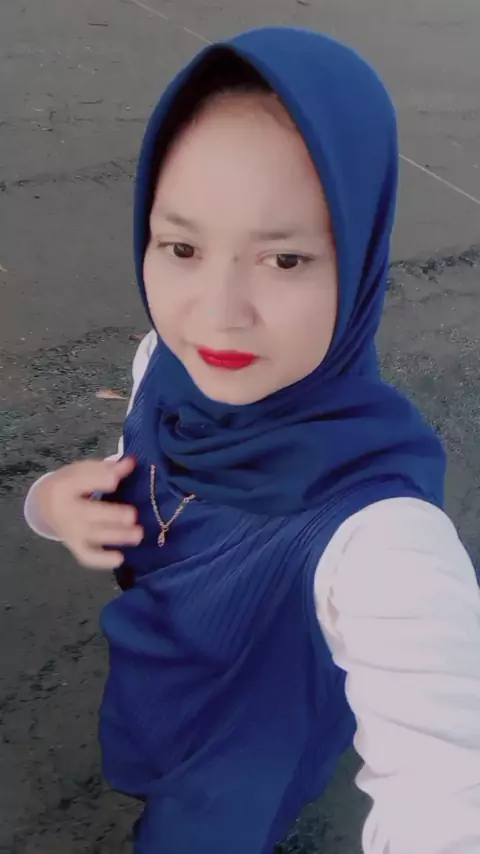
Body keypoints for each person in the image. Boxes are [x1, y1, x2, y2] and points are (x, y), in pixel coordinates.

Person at [24, 26, 480, 854]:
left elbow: (446, 779)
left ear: (362, 258)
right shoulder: (165, 364)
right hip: (159, 695)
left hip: (243, 779)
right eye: (182, 247)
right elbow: (126, 466)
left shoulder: (382, 539)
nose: (218, 314)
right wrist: (52, 503)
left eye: (286, 260)